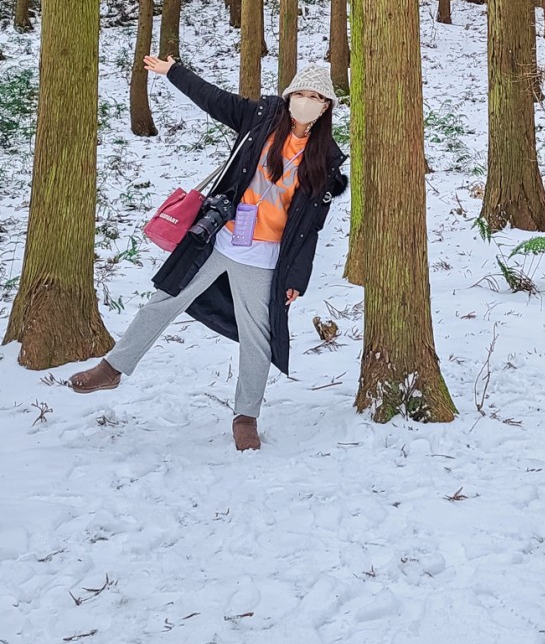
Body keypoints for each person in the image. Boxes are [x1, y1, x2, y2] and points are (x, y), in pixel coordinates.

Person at [68, 56, 348, 451]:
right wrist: (174, 72)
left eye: (314, 96)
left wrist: (296, 279)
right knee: (163, 301)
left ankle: (245, 415)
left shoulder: (326, 160)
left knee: (258, 339)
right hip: (218, 238)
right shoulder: (261, 118)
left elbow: (309, 229)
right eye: (299, 93)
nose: (305, 101)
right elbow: (213, 100)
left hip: (263, 258)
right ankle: (112, 367)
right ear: (287, 98)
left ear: (325, 107)